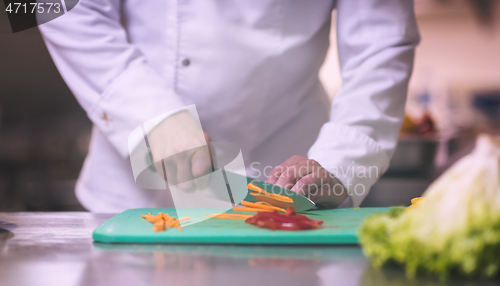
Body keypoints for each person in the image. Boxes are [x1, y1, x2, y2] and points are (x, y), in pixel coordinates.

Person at [39, 0, 419, 212]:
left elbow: (382, 39)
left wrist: (342, 162)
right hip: (129, 194)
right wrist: (148, 113)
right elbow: (47, 7)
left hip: (287, 186)